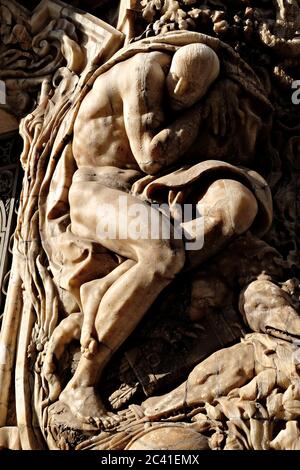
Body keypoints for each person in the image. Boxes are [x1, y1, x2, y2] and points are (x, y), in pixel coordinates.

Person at [58, 43, 265, 426]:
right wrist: (203, 106)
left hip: (145, 192)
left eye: (195, 91)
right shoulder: (144, 72)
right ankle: (82, 382)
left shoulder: (189, 82)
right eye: (181, 86)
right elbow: (151, 156)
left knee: (238, 207)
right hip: (95, 193)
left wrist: (223, 96)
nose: (183, 95)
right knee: (164, 254)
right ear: (173, 68)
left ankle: (111, 286)